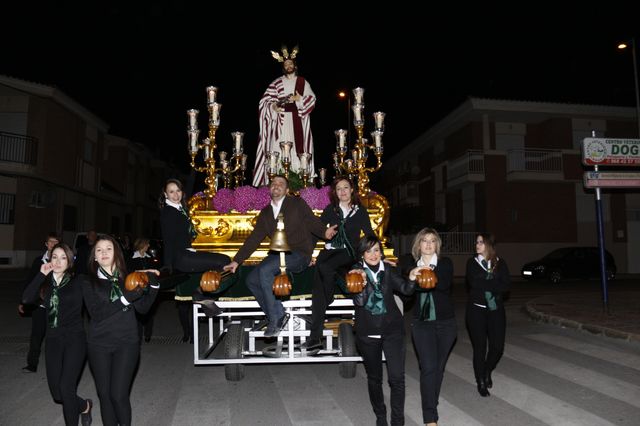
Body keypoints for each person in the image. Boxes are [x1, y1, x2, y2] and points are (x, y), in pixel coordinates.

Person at [224, 175, 336, 337]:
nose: (276, 186)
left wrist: (325, 232)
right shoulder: (265, 213)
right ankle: (274, 315)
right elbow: (254, 238)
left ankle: (276, 317)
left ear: (287, 190)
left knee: (265, 271)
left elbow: (312, 221)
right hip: (277, 256)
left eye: (281, 184)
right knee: (251, 280)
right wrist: (236, 260)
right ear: (270, 188)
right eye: (273, 183)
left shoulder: (296, 204)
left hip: (299, 254)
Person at [81, 234, 160, 426]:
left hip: (126, 342)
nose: (104, 253)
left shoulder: (129, 278)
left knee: (118, 395)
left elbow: (143, 308)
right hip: (98, 344)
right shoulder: (87, 281)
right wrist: (126, 298)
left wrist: (154, 284)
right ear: (95, 257)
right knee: (105, 395)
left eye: (109, 248)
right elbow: (97, 313)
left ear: (116, 253)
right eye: (99, 250)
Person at [22, 243, 93, 425]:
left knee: (66, 387)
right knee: (57, 393)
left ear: (69, 261)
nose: (59, 261)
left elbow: (98, 299)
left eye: (63, 257)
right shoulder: (45, 285)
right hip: (53, 340)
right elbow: (26, 298)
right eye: (55, 257)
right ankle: (85, 405)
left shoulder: (79, 281)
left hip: (75, 339)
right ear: (50, 259)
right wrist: (41, 274)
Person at [301, 176, 374, 351]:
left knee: (324, 266)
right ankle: (315, 337)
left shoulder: (360, 211)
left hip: (349, 253)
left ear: (352, 190)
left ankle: (327, 298)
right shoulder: (330, 210)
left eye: (346, 188)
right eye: (339, 188)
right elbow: (317, 232)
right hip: (330, 252)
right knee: (319, 286)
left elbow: (370, 234)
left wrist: (377, 254)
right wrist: (308, 254)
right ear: (335, 193)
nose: (342, 191)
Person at [350, 235, 417, 426]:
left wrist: (411, 278)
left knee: (397, 379)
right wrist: (360, 282)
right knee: (375, 378)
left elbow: (405, 289)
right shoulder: (355, 273)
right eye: (369, 251)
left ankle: (398, 420)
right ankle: (380, 416)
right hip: (368, 334)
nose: (373, 254)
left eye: (377, 250)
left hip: (393, 331)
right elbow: (360, 302)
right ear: (362, 254)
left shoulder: (388, 270)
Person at [159, 178, 231, 342]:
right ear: (165, 195)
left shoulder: (181, 209)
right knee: (224, 261)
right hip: (182, 257)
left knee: (222, 261)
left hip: (188, 253)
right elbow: (168, 240)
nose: (175, 194)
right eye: (171, 192)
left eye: (178, 191)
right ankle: (202, 293)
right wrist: (167, 265)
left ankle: (205, 294)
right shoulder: (169, 213)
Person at [399, 228, 456, 426]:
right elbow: (406, 297)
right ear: (418, 245)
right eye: (424, 240)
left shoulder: (444, 264)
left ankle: (431, 399)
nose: (429, 244)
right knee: (429, 368)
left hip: (445, 324)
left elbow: (443, 283)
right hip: (422, 324)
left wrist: (421, 272)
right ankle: (430, 417)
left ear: (437, 245)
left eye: (433, 241)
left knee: (438, 369)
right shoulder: (411, 267)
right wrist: (411, 277)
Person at [252, 45, 316, 186]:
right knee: (277, 149)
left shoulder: (302, 82)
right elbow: (264, 101)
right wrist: (273, 106)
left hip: (297, 119)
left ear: (295, 65)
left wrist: (299, 99)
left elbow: (312, 99)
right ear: (283, 67)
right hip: (280, 122)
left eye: (290, 64)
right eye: (286, 64)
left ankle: (300, 181)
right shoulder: (276, 83)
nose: (288, 66)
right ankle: (275, 180)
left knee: (299, 151)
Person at [465, 232, 510, 397]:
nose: (477, 245)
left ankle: (487, 370)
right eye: (477, 242)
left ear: (489, 245)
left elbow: (506, 285)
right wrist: (493, 283)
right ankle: (481, 381)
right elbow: (474, 283)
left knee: (497, 347)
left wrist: (487, 282)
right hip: (476, 311)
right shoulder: (472, 263)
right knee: (480, 348)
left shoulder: (500, 263)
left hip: (496, 310)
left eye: (481, 242)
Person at [18, 231, 59, 373]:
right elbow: (29, 281)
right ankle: (32, 364)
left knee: (55, 336)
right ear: (46, 244)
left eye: (56, 242)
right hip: (39, 305)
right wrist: (22, 301)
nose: (53, 244)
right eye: (51, 242)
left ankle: (56, 364)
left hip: (55, 305)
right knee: (36, 335)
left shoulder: (61, 262)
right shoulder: (38, 261)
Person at [128, 237, 156, 343]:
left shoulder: (149, 257)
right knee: (138, 312)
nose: (148, 246)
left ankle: (148, 334)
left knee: (149, 311)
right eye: (147, 244)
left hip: (148, 288)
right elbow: (129, 271)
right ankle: (138, 336)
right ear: (142, 245)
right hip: (137, 288)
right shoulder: (132, 258)